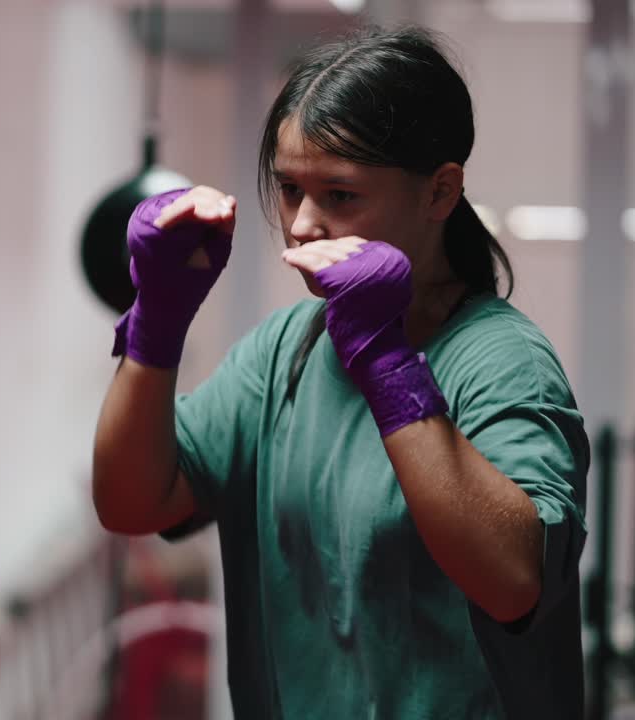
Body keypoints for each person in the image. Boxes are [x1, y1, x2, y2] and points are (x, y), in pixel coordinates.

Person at [93, 25, 589, 719]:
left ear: (440, 193)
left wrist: (387, 364)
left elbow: (514, 583)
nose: (301, 224)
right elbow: (132, 504)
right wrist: (157, 322)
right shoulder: (285, 350)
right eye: (289, 189)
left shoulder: (502, 362)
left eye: (340, 195)